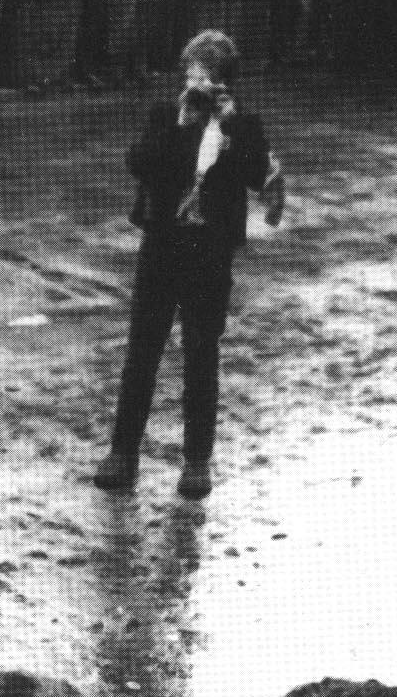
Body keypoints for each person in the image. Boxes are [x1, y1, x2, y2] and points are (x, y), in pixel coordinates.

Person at [93, 31, 282, 501]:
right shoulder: (166, 115)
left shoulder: (244, 124)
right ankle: (123, 453)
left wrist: (231, 125)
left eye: (205, 76)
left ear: (224, 84)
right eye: (189, 73)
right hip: (162, 249)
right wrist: (182, 121)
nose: (194, 82)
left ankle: (197, 461)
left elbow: (258, 175)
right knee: (142, 352)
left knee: (202, 354)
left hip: (209, 256)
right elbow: (139, 163)